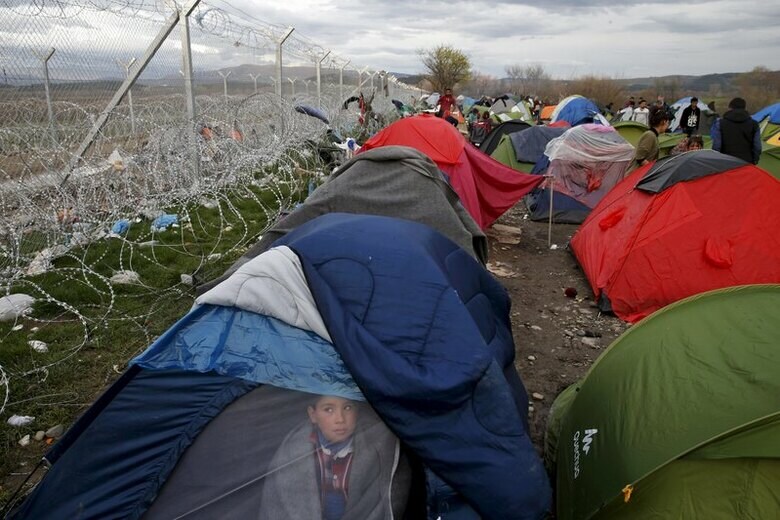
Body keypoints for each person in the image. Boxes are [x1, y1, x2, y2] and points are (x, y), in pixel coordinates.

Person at [259, 395, 410, 520]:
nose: (340, 419)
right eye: (328, 409)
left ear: (357, 411)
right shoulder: (292, 451)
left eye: (348, 407)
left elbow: (388, 501)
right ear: (313, 415)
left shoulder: (376, 448)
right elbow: (277, 506)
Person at [711, 97, 762, 164]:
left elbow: (716, 146)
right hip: (747, 162)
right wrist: (755, 160)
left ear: (730, 108)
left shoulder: (720, 123)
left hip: (725, 162)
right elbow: (757, 147)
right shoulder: (754, 124)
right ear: (744, 108)